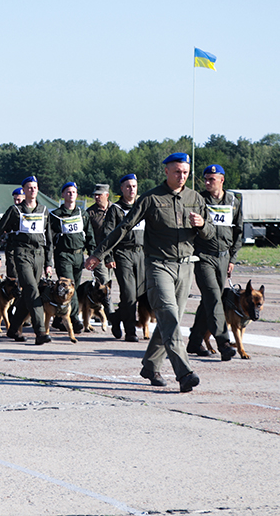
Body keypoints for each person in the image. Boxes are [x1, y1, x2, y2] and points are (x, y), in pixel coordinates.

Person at [85, 152, 214, 393]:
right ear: (166, 171)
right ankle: (184, 372)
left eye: (185, 172)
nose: (181, 176)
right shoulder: (151, 198)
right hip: (158, 266)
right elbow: (124, 228)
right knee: (169, 317)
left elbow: (210, 234)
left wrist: (203, 225)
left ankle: (151, 364)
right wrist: (99, 254)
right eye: (177, 171)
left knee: (169, 321)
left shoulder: (195, 198)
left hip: (185, 266)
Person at [0, 176, 53, 344]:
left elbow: (49, 239)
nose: (32, 190)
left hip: (39, 255)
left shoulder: (44, 211)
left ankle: (13, 328)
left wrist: (49, 263)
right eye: (29, 187)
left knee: (27, 296)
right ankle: (39, 331)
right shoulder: (15, 210)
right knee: (32, 290)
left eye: (35, 187)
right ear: (23, 190)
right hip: (21, 253)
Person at [188, 165, 242, 361]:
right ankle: (224, 343)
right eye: (206, 179)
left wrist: (232, 259)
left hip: (224, 256)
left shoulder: (234, 201)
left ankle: (194, 342)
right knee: (213, 297)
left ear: (222, 180)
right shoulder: (199, 200)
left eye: (212, 179)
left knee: (210, 301)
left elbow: (239, 231)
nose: (208, 182)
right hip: (203, 256)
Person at [47, 182, 96, 333]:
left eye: (74, 192)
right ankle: (75, 319)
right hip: (63, 255)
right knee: (70, 287)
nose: (71, 194)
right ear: (63, 195)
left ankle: (57, 319)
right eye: (68, 192)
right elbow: (49, 238)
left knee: (68, 289)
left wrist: (92, 255)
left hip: (78, 255)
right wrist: (48, 261)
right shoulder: (55, 215)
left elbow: (89, 235)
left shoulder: (82, 214)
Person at [102, 174, 146, 342]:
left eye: (134, 186)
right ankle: (130, 331)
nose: (131, 189)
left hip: (141, 253)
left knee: (139, 293)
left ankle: (115, 318)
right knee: (128, 294)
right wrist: (109, 256)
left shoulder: (141, 206)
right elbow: (108, 234)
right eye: (128, 186)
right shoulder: (115, 209)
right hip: (123, 254)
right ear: (122, 189)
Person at [86, 184, 112, 286]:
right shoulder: (90, 213)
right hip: (98, 253)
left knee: (110, 281)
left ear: (107, 195)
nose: (96, 197)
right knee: (103, 281)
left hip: (113, 252)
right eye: (95, 195)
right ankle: (106, 301)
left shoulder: (115, 209)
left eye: (99, 195)